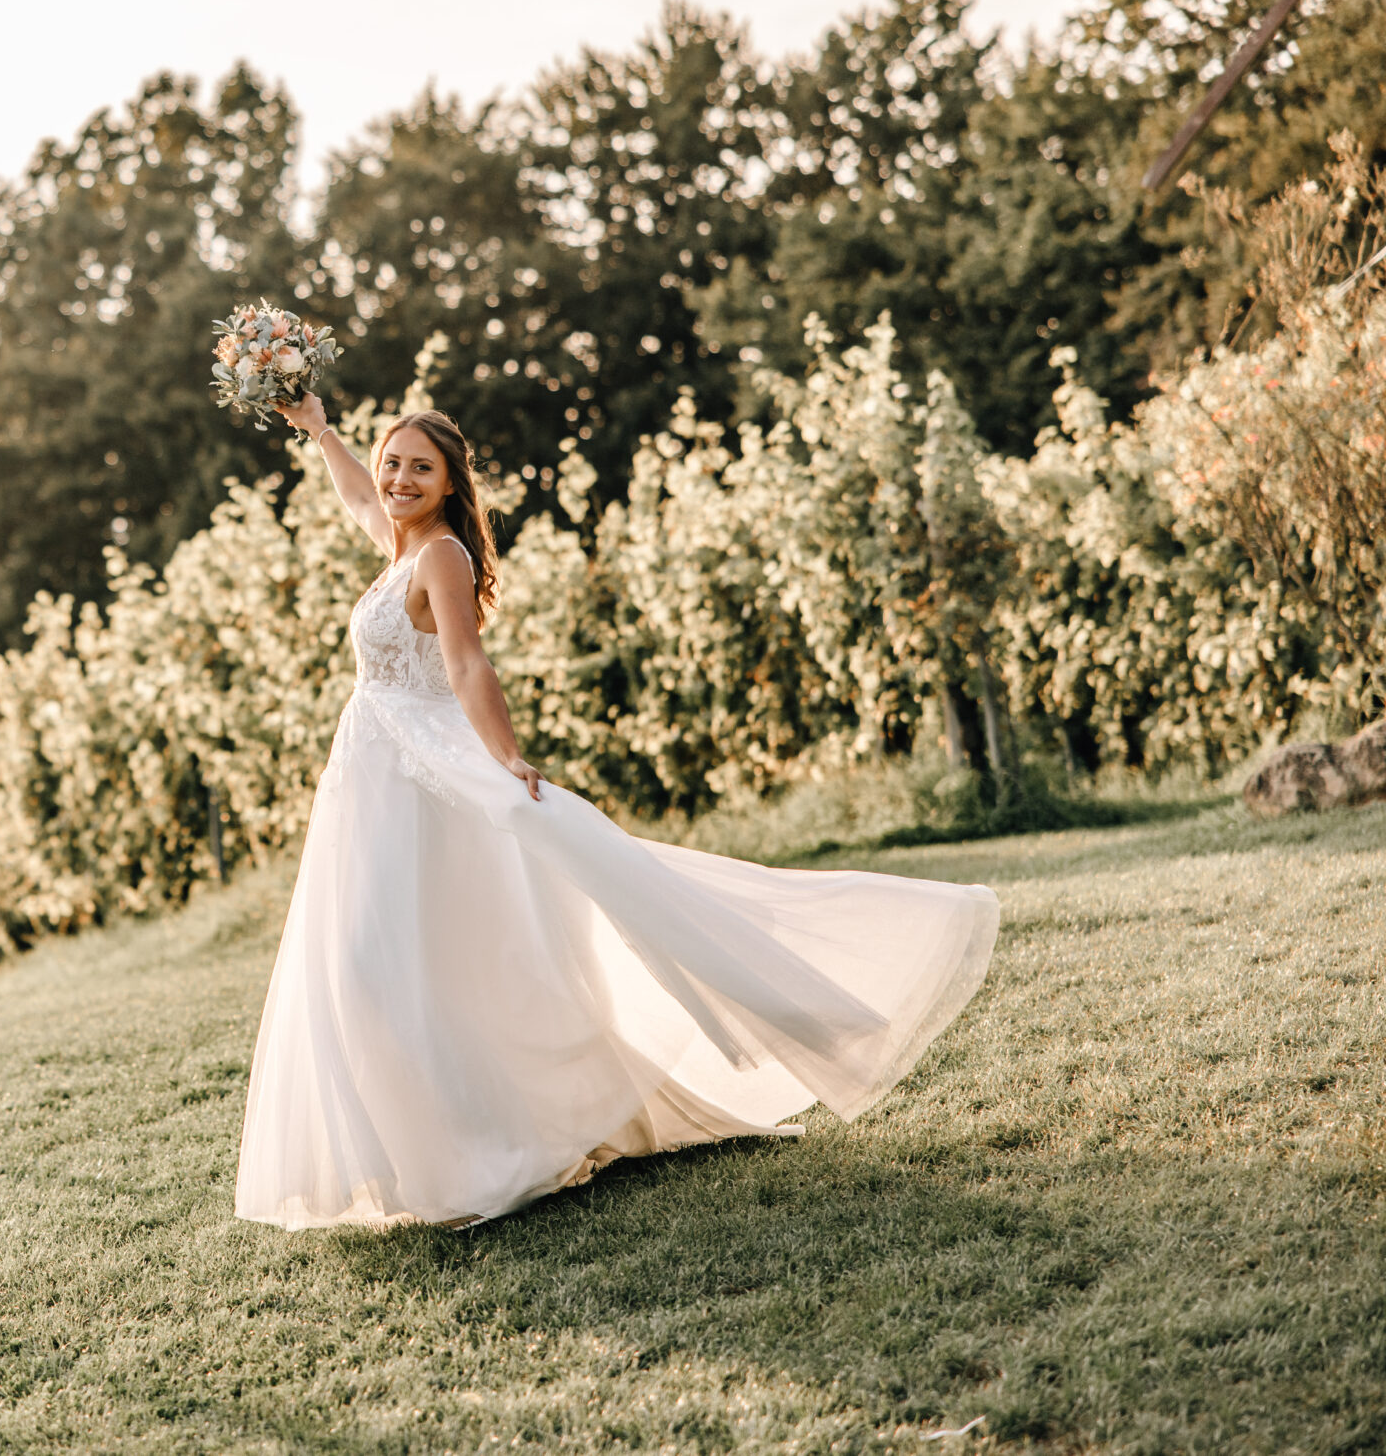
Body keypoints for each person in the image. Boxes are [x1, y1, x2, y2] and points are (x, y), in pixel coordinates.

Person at [233, 393, 999, 1231]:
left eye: (421, 466)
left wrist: (506, 755)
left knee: (375, 965)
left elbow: (467, 666)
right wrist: (317, 428)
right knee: (390, 964)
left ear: (450, 483)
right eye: (392, 462)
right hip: (378, 785)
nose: (397, 478)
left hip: (423, 776)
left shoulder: (440, 557)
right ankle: (442, 1151)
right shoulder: (398, 546)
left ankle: (476, 1156)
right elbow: (354, 495)